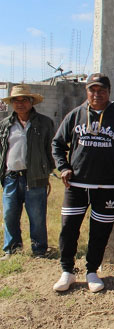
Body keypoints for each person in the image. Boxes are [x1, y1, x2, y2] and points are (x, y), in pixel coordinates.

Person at [51, 73, 114, 293]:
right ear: (86, 91)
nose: (97, 94)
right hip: (76, 185)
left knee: (100, 231)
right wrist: (64, 167)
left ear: (109, 91)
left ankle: (92, 271)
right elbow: (57, 144)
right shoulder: (75, 115)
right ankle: (67, 271)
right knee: (69, 229)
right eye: (92, 90)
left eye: (102, 90)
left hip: (107, 187)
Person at [0, 85, 55, 259]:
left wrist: (47, 170)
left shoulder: (44, 123)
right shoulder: (5, 125)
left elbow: (50, 148)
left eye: (24, 99)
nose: (20, 103)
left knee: (37, 216)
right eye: (16, 100)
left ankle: (39, 250)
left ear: (31, 102)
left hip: (35, 177)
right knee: (9, 214)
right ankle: (12, 249)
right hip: (11, 177)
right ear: (11, 103)